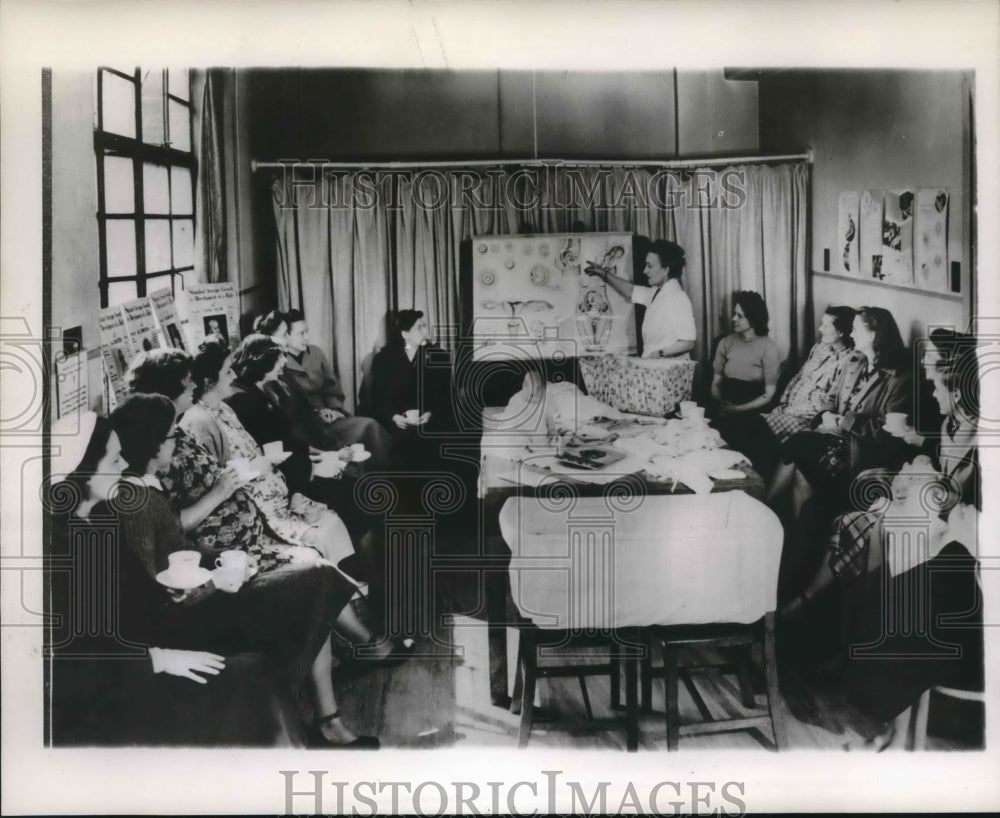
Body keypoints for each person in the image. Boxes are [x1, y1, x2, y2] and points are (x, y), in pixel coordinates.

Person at [46, 405, 374, 748]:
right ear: (82, 472)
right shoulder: (60, 548)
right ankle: (301, 746)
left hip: (159, 632)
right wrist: (158, 658)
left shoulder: (101, 518)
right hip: (128, 674)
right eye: (114, 461)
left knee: (306, 593)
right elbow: (76, 652)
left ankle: (301, 739)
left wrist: (178, 588)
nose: (125, 466)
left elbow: (140, 590)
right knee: (253, 671)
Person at [181, 337, 354, 565]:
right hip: (257, 509)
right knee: (326, 529)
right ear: (208, 381)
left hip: (276, 494)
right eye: (227, 371)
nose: (234, 375)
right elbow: (217, 483)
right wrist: (259, 469)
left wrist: (290, 489)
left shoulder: (224, 408)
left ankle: (347, 589)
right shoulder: (200, 422)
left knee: (332, 521)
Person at [768, 307, 913, 517]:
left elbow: (888, 432)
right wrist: (827, 414)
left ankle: (769, 511)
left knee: (797, 445)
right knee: (800, 465)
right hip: (833, 437)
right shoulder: (855, 361)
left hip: (859, 450)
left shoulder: (899, 379)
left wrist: (844, 421)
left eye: (855, 330)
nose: (851, 334)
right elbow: (831, 398)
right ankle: (790, 526)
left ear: (873, 335)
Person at [715, 306, 862, 477]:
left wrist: (788, 410)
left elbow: (826, 403)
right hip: (786, 408)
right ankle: (746, 474)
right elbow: (799, 376)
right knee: (741, 425)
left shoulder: (849, 362)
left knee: (752, 426)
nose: (820, 329)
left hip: (807, 419)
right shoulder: (821, 346)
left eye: (826, 326)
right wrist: (783, 402)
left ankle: (756, 478)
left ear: (841, 332)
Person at [277, 308, 392, 460]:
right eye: (301, 334)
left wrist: (335, 410)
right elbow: (292, 408)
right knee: (367, 428)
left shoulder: (316, 353)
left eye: (307, 331)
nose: (307, 337)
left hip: (333, 417)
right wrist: (317, 415)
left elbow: (332, 388)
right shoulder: (279, 364)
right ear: (287, 337)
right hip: (311, 428)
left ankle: (388, 470)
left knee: (370, 428)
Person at [358, 309, 456, 465]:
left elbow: (446, 395)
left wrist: (430, 413)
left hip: (431, 421)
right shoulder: (384, 359)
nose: (426, 331)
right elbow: (375, 397)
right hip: (395, 422)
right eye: (420, 327)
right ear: (405, 334)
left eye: (425, 326)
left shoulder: (439, 357)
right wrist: (393, 416)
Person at [585, 238, 696, 358]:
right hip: (655, 366)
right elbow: (631, 291)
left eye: (649, 266)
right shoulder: (657, 293)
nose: (645, 271)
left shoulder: (677, 298)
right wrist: (602, 273)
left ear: (666, 270)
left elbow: (688, 342)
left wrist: (658, 354)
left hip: (667, 369)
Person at [710, 290, 782, 417]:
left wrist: (737, 409)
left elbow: (768, 395)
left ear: (753, 318)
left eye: (740, 316)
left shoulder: (769, 347)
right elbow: (716, 383)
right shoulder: (725, 342)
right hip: (724, 407)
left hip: (751, 410)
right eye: (734, 314)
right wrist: (721, 405)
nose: (733, 319)